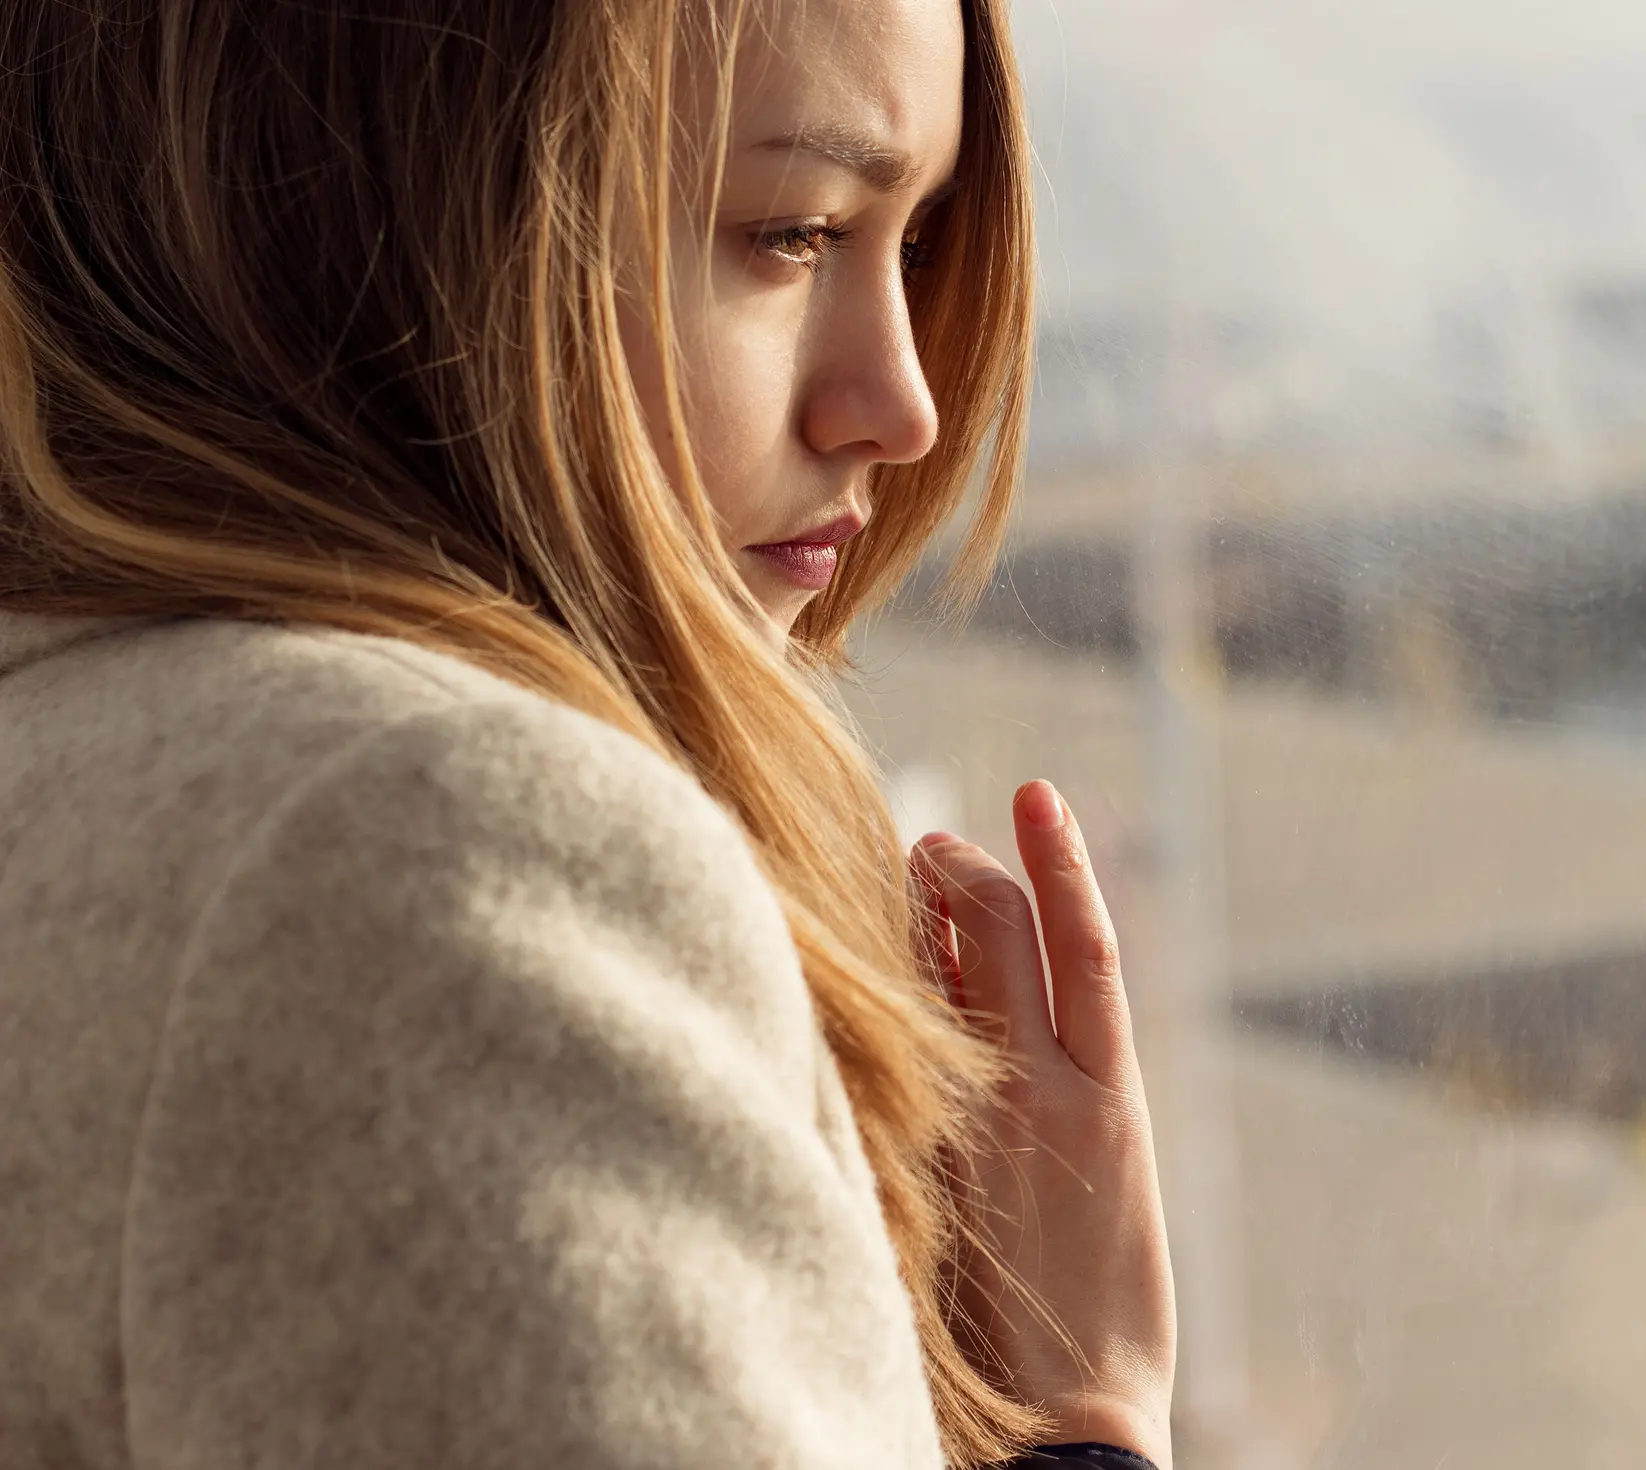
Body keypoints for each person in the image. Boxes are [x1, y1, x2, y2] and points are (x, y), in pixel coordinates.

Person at [0, 0, 1175, 1466]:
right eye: (793, 234)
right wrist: (1083, 1423)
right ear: (387, 206)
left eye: (918, 241)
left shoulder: (79, 742)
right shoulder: (436, 848)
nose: (905, 405)